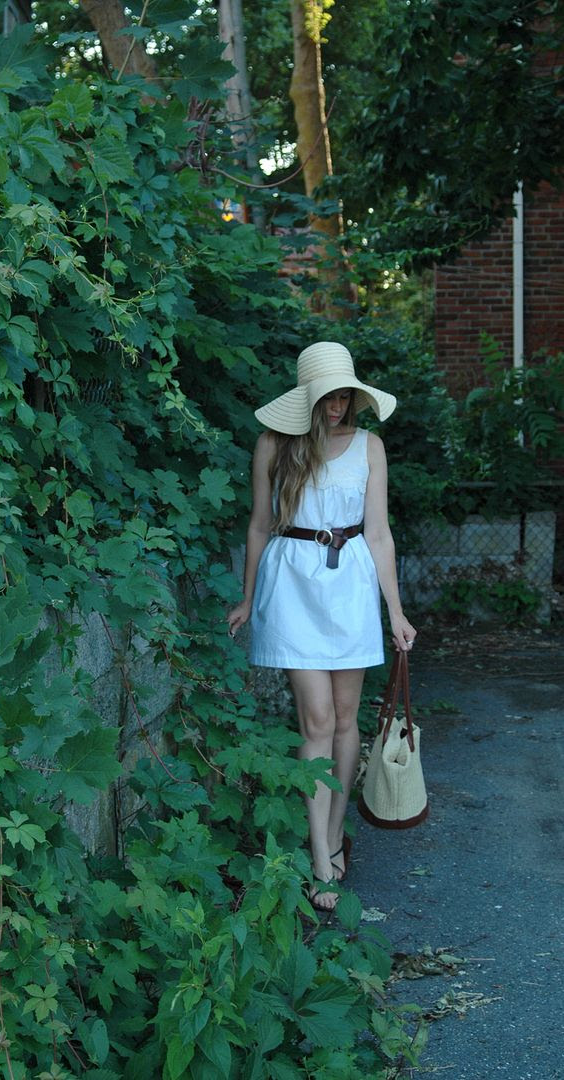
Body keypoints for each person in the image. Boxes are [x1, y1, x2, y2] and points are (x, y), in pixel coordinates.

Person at [227, 341, 416, 913]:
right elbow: (258, 526)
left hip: (351, 584)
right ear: (307, 398)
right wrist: (247, 597)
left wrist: (396, 611)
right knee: (316, 719)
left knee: (346, 719)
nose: (337, 407)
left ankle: (335, 835)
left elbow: (378, 533)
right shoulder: (273, 444)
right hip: (292, 584)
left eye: (345, 397)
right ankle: (318, 859)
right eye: (328, 397)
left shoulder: (369, 446)